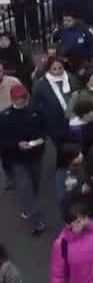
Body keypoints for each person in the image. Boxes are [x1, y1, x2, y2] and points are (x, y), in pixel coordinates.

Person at [0, 83, 47, 234]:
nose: (22, 100)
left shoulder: (35, 111)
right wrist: (16, 144)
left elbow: (43, 130)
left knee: (34, 184)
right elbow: (3, 140)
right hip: (16, 160)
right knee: (25, 187)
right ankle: (36, 219)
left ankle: (28, 207)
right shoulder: (4, 117)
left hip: (35, 156)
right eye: (19, 98)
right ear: (13, 99)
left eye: (24, 97)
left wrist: (41, 140)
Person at [49, 199, 93, 283]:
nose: (84, 223)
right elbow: (58, 275)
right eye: (78, 221)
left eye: (85, 217)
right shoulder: (62, 244)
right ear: (68, 224)